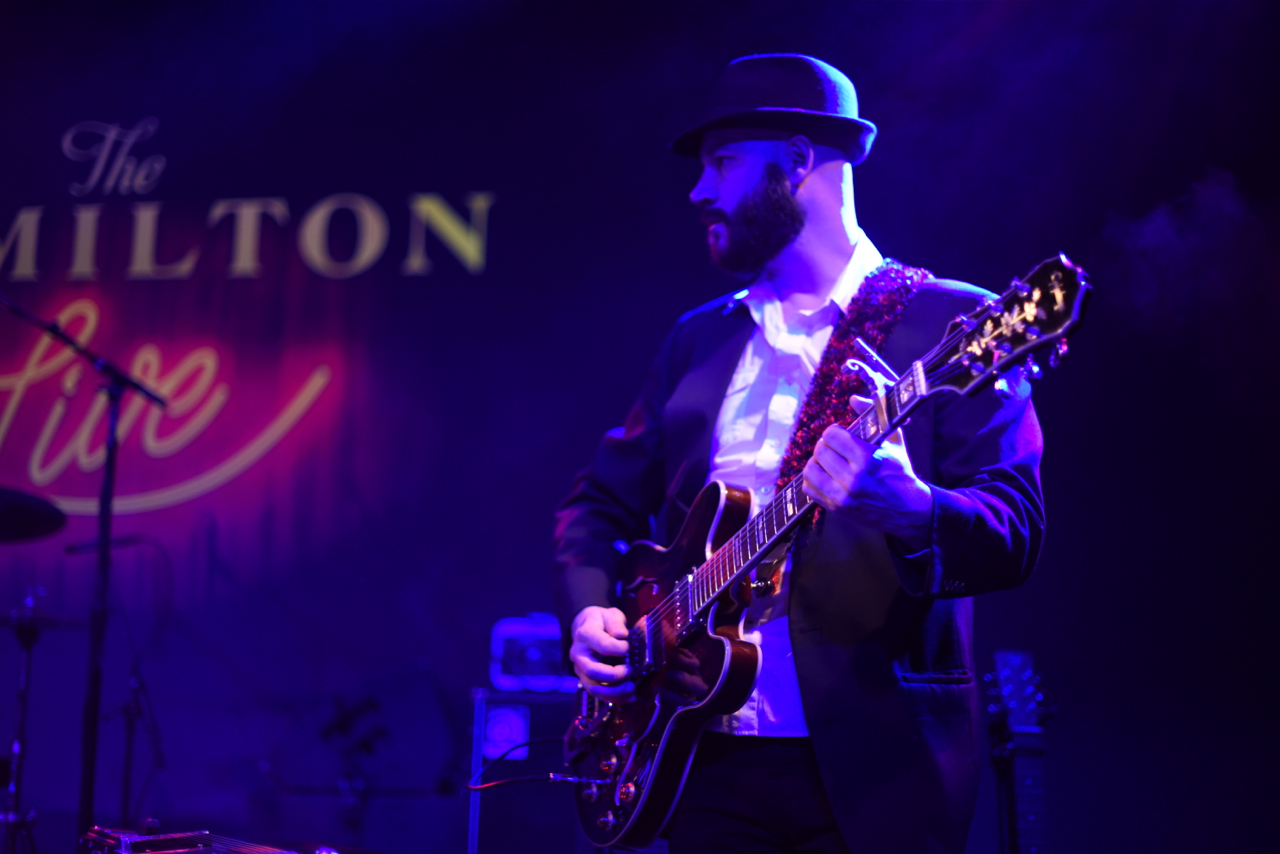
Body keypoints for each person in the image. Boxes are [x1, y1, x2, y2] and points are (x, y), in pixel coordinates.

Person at [553, 54, 1045, 854]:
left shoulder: (957, 327)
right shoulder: (699, 338)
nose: (698, 190)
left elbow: (1015, 530)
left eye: (722, 162)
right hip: (702, 759)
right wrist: (589, 610)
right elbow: (596, 507)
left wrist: (911, 509)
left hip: (876, 771)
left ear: (798, 159)